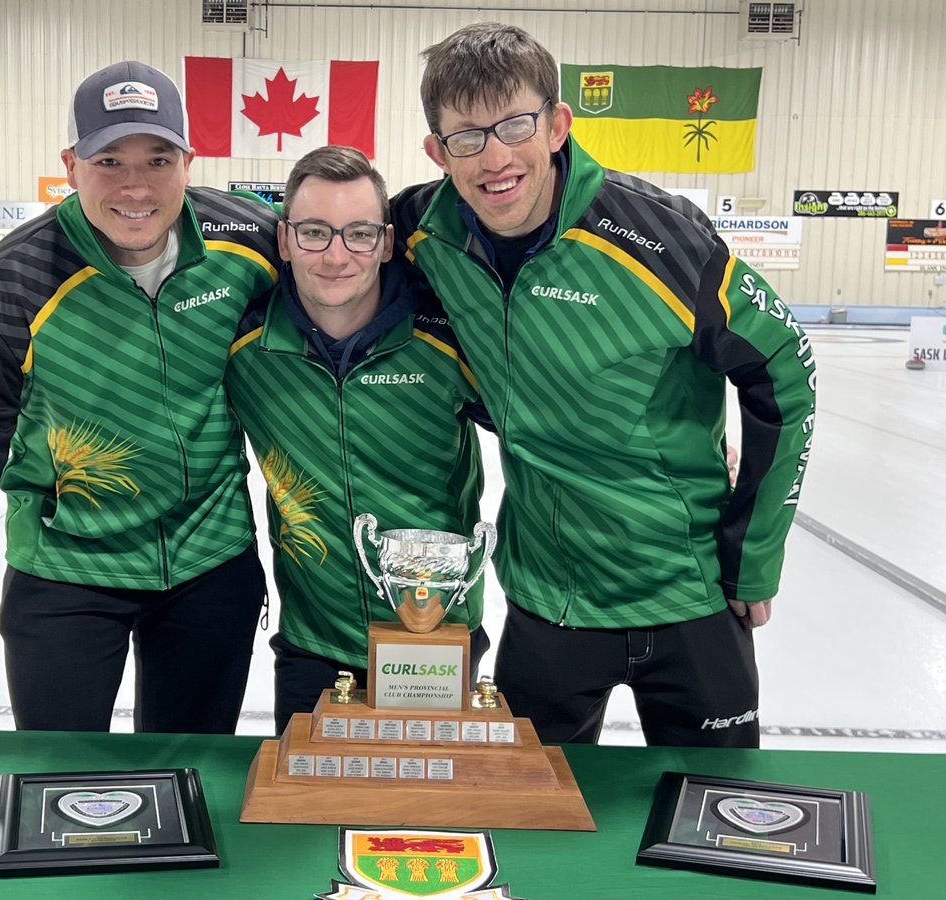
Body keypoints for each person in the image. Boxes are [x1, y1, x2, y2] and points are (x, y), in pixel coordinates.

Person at [0, 61, 282, 778]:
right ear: (71, 165)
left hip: (209, 566)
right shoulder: (7, 290)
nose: (135, 185)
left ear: (188, 162)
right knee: (62, 791)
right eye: (109, 161)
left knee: (193, 786)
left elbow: (358, 269)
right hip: (66, 576)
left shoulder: (249, 242)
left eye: (158, 159)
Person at [392, 23, 817, 747]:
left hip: (687, 594)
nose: (495, 158)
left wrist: (754, 554)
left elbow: (786, 370)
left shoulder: (661, 239)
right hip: (546, 603)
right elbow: (322, 243)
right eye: (466, 137)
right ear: (437, 151)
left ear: (557, 124)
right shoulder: (418, 229)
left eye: (515, 126)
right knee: (532, 831)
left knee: (715, 821)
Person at [225, 146, 490, 731]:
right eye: (315, 232)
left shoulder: (450, 336)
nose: (337, 255)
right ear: (286, 239)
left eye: (360, 233)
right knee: (310, 819)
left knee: (432, 815)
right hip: (315, 644)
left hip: (437, 636)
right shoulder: (242, 344)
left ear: (388, 242)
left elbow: (544, 422)